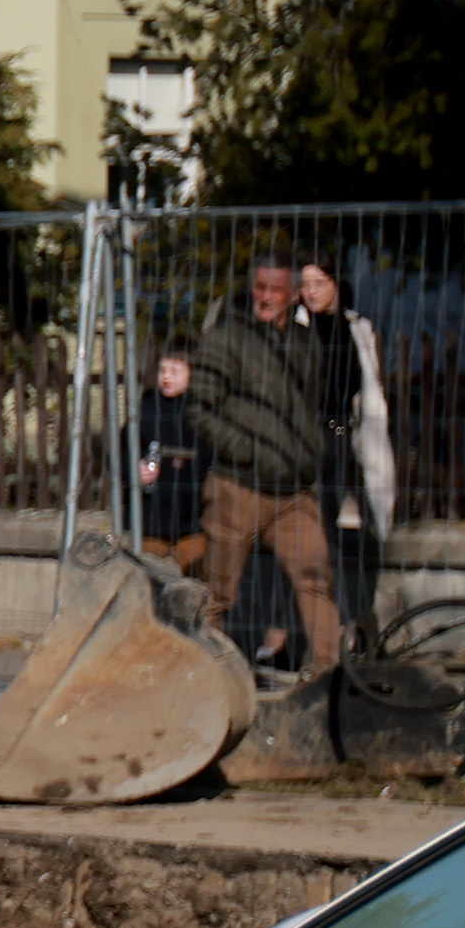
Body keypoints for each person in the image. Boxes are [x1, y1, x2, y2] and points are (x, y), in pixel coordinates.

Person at [190, 255, 343, 674]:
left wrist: (311, 453)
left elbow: (311, 405)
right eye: (260, 287)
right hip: (237, 487)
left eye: (276, 290)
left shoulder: (305, 341)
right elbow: (200, 409)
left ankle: (327, 679)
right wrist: (247, 451)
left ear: (293, 294)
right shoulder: (226, 339)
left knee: (316, 581)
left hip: (295, 492)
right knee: (217, 593)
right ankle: (207, 678)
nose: (266, 297)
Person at [298, 259, 393, 649]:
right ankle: (324, 631)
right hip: (308, 435)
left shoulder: (357, 327)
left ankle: (365, 622)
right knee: (317, 533)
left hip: (345, 433)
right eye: (305, 284)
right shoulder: (297, 329)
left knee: (362, 527)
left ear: (337, 284)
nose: (312, 291)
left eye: (320, 282)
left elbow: (367, 387)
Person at [134, 340, 207, 574]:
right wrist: (135, 469)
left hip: (195, 520)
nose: (167, 377)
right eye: (163, 370)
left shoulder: (204, 410)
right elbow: (128, 447)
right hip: (154, 518)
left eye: (175, 371)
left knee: (194, 580)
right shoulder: (148, 407)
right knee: (148, 579)